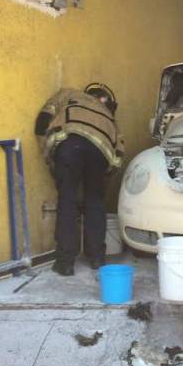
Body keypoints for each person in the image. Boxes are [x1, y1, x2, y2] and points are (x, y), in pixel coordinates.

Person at [35, 83, 125, 276]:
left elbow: (42, 121)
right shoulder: (110, 119)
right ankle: (97, 258)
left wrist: (49, 156)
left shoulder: (68, 94)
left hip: (70, 144)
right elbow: (118, 157)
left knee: (67, 200)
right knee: (95, 202)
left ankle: (65, 263)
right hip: (100, 154)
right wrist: (101, 184)